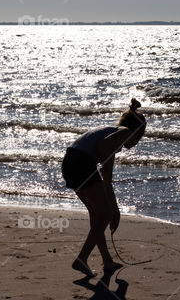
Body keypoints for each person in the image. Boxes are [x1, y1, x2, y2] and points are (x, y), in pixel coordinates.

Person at [61, 98, 146, 277]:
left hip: (70, 161)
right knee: (104, 214)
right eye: (139, 139)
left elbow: (106, 180)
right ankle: (82, 258)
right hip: (82, 162)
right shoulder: (125, 132)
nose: (135, 145)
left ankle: (107, 261)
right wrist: (114, 210)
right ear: (137, 132)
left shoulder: (113, 132)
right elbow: (104, 152)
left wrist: (114, 209)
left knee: (97, 214)